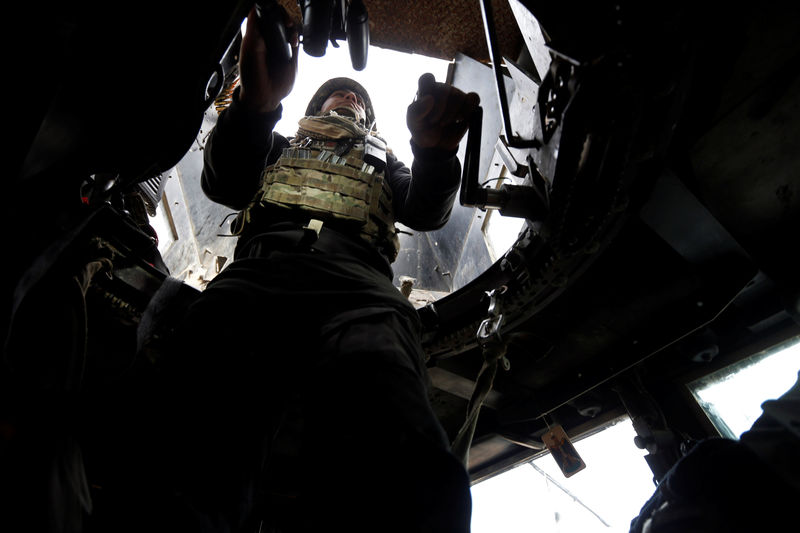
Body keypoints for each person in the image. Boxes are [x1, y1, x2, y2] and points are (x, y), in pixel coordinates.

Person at [158, 6, 480, 532]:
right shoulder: (280, 144)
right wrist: (255, 109)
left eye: (359, 99)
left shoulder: (384, 162)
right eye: (339, 93)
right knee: (195, 441)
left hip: (361, 286)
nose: (350, 98)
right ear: (315, 105)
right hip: (261, 274)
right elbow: (225, 183)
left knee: (398, 449)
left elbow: (424, 210)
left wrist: (436, 153)